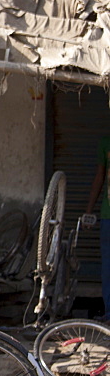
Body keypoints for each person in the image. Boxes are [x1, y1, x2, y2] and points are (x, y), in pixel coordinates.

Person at [84, 136, 110, 320]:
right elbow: (100, 177)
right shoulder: (106, 142)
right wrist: (89, 211)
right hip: (108, 216)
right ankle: (109, 312)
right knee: (108, 267)